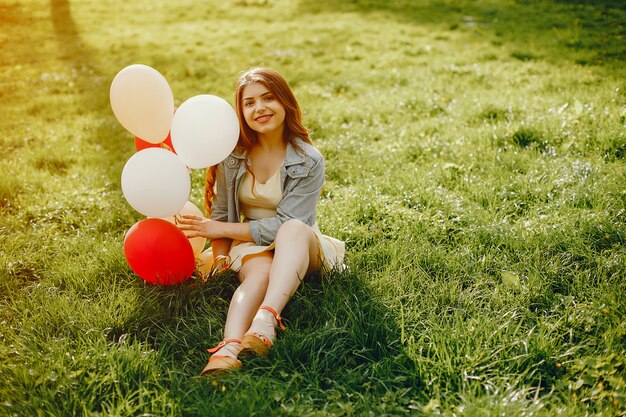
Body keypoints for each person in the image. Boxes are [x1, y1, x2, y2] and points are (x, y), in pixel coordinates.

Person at [178, 68, 345, 375]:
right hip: (253, 244)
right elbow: (221, 212)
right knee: (259, 275)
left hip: (301, 244)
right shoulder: (233, 156)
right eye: (250, 103)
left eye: (268, 98)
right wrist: (221, 255)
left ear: (285, 102)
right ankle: (228, 348)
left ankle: (266, 320)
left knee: (291, 229)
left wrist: (223, 230)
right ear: (241, 112)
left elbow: (285, 223)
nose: (260, 109)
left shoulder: (309, 160)